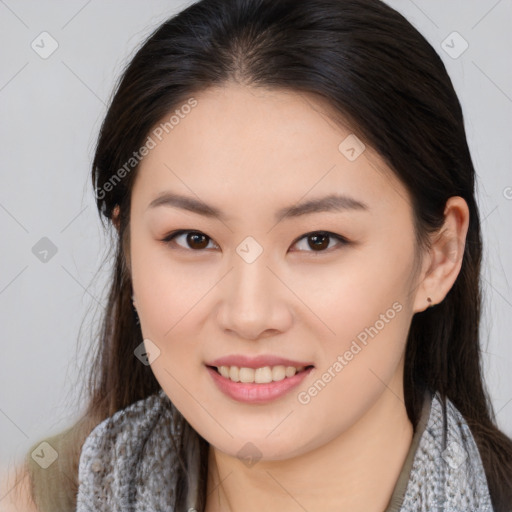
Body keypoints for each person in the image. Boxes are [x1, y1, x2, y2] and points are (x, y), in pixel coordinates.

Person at [2, 0, 512, 510]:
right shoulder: (39, 497)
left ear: (439, 257)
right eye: (193, 239)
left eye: (319, 241)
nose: (249, 315)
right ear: (129, 246)